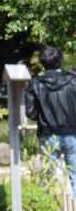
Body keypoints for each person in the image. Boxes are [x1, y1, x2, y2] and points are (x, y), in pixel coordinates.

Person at [30, 45, 76, 197]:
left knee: (50, 180)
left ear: (42, 62)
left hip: (48, 134)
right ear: (60, 60)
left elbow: (30, 111)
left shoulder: (36, 83)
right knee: (75, 176)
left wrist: (42, 116)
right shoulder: (72, 81)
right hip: (72, 133)